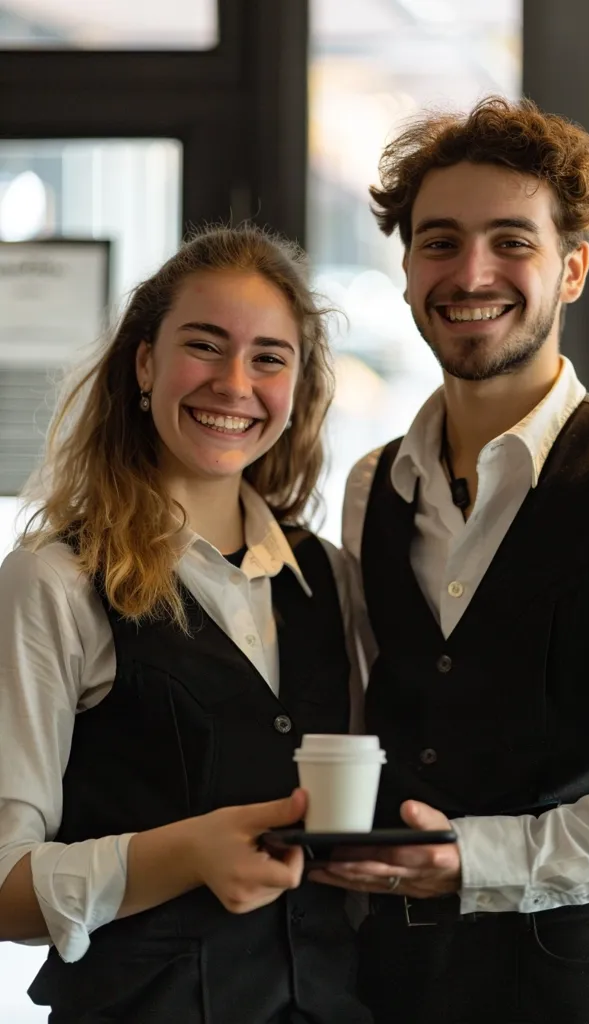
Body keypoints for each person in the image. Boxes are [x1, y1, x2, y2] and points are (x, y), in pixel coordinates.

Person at [311, 97, 589, 1023]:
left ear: (573, 269)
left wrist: (483, 860)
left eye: (511, 241)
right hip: (392, 987)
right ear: (405, 273)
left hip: (583, 990)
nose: (470, 271)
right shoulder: (370, 486)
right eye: (439, 242)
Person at [0, 225, 373, 1024]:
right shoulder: (55, 581)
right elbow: (2, 889)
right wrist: (183, 855)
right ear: (145, 364)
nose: (235, 384)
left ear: (297, 387)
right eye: (205, 347)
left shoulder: (332, 581)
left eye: (269, 357)